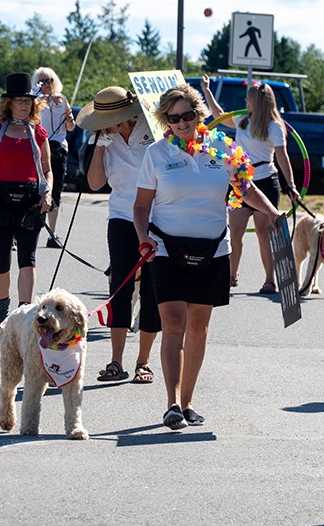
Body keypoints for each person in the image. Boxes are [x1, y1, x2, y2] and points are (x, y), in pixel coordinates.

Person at [133, 84, 283, 430]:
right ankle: (171, 404)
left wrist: (273, 212)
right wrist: (143, 239)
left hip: (214, 249)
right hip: (167, 248)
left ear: (200, 115)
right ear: (165, 120)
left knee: (198, 327)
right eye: (175, 117)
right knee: (173, 322)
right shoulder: (157, 154)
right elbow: (141, 207)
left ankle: (187, 403)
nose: (183, 122)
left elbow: (245, 187)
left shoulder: (224, 147)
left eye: (189, 115)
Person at [80, 86, 160, 384]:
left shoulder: (152, 128)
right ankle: (116, 361)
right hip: (122, 217)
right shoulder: (105, 138)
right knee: (119, 288)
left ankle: (144, 362)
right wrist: (100, 146)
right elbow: (95, 183)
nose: (102, 123)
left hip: (157, 216)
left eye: (107, 118)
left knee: (152, 290)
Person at [201, 75, 299, 292]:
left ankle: (269, 280)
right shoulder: (243, 120)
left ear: (259, 102)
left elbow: (282, 157)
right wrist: (207, 91)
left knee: (264, 232)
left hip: (265, 181)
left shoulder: (274, 127)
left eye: (249, 99)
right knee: (235, 231)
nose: (245, 103)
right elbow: (218, 115)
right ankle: (231, 275)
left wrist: (290, 184)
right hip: (239, 182)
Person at [0, 73, 53, 331]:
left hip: (30, 199)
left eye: (27, 101)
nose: (23, 105)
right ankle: (3, 306)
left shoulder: (38, 132)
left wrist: (47, 192)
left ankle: (26, 311)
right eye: (18, 100)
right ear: (9, 103)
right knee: (1, 260)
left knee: (28, 259)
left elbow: (47, 168)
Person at [32, 67, 76, 249]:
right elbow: (33, 110)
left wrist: (70, 120)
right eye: (42, 81)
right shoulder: (35, 100)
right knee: (35, 188)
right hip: (39, 148)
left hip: (58, 148)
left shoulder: (62, 100)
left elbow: (71, 127)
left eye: (49, 80)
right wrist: (47, 99)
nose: (47, 84)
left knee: (55, 190)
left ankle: (53, 233)